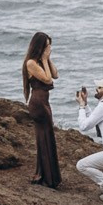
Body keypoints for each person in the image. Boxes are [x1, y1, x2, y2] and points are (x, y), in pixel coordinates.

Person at [22, 30, 61, 189]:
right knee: (43, 138)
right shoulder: (31, 63)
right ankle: (45, 176)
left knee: (48, 137)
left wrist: (47, 59)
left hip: (44, 102)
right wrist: (44, 59)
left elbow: (55, 75)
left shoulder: (40, 61)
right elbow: (47, 79)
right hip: (38, 103)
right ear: (39, 47)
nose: (47, 50)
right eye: (45, 47)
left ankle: (49, 175)